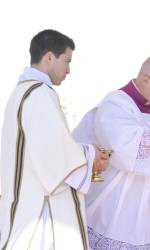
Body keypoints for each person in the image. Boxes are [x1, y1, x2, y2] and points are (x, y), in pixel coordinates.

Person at [0, 29, 109, 250]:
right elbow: (55, 156)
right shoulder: (39, 94)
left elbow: (45, 149)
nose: (69, 70)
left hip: (23, 203)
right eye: (67, 61)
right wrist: (91, 154)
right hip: (39, 213)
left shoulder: (21, 92)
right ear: (49, 57)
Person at [72, 54, 150, 249]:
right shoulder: (115, 104)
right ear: (146, 79)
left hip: (142, 218)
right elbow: (124, 152)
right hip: (113, 215)